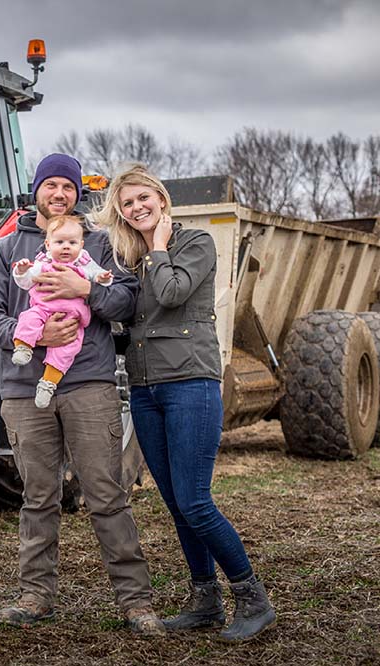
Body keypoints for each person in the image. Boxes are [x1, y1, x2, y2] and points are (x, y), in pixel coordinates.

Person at [0, 154, 164, 635]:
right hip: (24, 389)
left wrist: (87, 288)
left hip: (88, 385)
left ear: (78, 193)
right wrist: (35, 336)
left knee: (106, 493)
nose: (59, 193)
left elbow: (127, 300)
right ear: (36, 190)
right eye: (50, 185)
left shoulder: (99, 244)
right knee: (38, 496)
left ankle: (136, 602)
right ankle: (36, 595)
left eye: (67, 187)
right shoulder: (5, 251)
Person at [96, 163, 276, 641]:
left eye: (142, 199)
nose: (136, 208)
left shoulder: (194, 243)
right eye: (127, 204)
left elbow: (173, 294)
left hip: (190, 384)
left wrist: (156, 246)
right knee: (176, 503)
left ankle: (253, 597)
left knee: (196, 501)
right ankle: (205, 600)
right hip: (145, 388)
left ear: (160, 198)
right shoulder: (129, 261)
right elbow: (126, 322)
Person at [11, 214, 113, 408]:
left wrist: (103, 278)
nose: (66, 246)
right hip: (43, 309)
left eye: (72, 242)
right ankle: (23, 346)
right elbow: (25, 283)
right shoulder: (42, 264)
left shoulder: (84, 263)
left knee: (67, 350)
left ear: (81, 245)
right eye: (60, 242)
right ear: (48, 245)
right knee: (28, 318)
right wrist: (22, 271)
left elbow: (98, 276)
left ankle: (48, 383)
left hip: (72, 319)